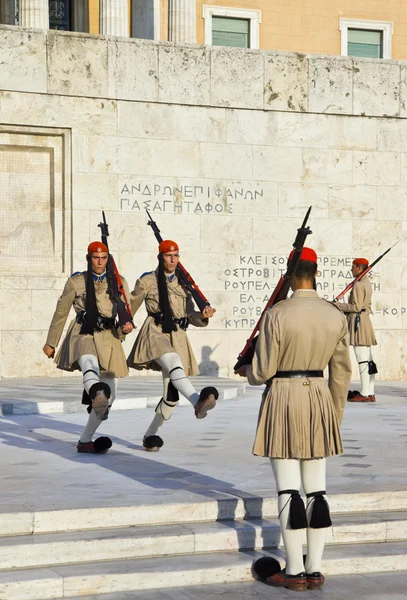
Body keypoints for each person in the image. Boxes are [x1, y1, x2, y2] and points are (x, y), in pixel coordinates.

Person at [237, 247, 352, 592]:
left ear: (289, 274)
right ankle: (315, 570)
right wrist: (333, 414)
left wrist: (248, 368)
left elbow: (263, 371)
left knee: (289, 489)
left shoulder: (278, 313)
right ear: (316, 272)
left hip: (285, 396)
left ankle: (293, 571)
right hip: (319, 396)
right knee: (316, 490)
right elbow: (343, 373)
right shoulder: (335, 316)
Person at [127, 239, 218, 452]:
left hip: (177, 336)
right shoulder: (147, 281)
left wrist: (202, 316)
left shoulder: (183, 283)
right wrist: (122, 325)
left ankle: (150, 436)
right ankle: (197, 401)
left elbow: (188, 314)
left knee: (171, 397)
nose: (173, 259)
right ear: (160, 256)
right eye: (169, 255)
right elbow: (129, 307)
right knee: (174, 360)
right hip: (155, 332)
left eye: (176, 255)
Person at [43, 242, 133, 453]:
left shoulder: (119, 283)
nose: (99, 262)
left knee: (111, 395)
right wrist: (51, 342)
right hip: (84, 331)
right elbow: (61, 312)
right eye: (95, 257)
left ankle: (85, 440)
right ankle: (96, 391)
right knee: (89, 364)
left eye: (103, 258)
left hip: (109, 337)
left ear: (108, 259)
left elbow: (125, 314)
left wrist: (125, 330)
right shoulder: (77, 281)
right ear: (89, 258)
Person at [337, 257, 377, 402]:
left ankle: (365, 393)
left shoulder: (359, 285)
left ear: (359, 268)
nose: (351, 269)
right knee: (368, 360)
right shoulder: (366, 282)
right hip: (365, 322)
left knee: (362, 359)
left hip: (358, 324)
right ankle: (370, 392)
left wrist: (337, 305)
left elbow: (355, 307)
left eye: (353, 266)